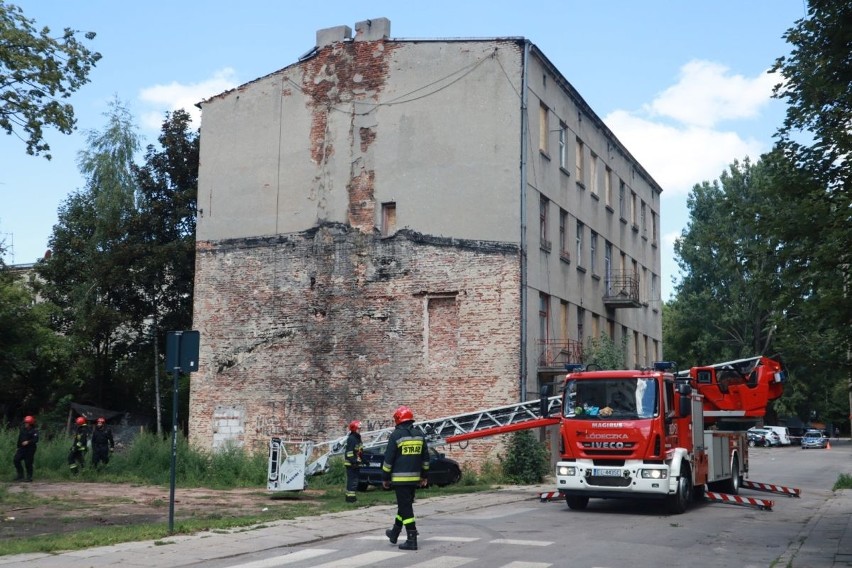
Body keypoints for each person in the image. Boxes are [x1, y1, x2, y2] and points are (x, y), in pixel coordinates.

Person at [382, 405, 429, 551]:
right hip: (414, 479)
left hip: (400, 480)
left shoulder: (396, 435)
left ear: (398, 420)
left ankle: (411, 538)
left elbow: (388, 459)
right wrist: (424, 476)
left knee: (406, 507)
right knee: (405, 505)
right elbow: (426, 458)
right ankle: (394, 533)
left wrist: (385, 477)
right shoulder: (419, 434)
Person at [13, 415, 39, 482]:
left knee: (28, 463)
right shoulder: (23, 430)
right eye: (25, 423)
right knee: (16, 460)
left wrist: (28, 442)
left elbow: (36, 439)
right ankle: (20, 475)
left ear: (30, 424)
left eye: (27, 423)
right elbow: (19, 439)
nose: (25, 424)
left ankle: (29, 477)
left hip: (30, 449)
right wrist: (18, 447)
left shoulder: (34, 431)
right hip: (22, 448)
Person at [344, 419, 363, 503]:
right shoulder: (352, 438)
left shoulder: (357, 438)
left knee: (354, 481)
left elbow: (360, 451)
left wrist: (364, 460)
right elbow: (349, 453)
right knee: (352, 481)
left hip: (356, 463)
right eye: (359, 429)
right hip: (351, 464)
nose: (360, 430)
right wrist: (354, 461)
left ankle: (350, 498)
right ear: (354, 429)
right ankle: (351, 499)